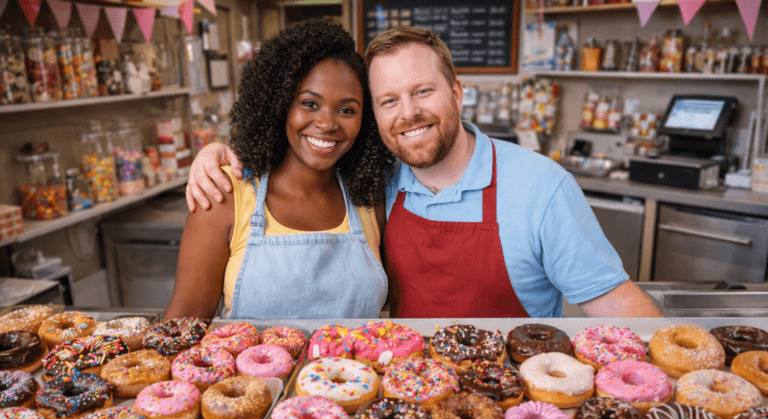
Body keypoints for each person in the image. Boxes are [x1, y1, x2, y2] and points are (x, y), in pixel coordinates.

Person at [185, 26, 662, 319]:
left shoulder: (540, 186)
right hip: (398, 395)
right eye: (388, 100)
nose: (408, 113)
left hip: (514, 403)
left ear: (457, 92)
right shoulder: (379, 181)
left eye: (423, 92)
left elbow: (617, 305)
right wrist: (217, 152)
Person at [163, 19, 395, 321]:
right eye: (309, 103)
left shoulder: (369, 198)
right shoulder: (224, 197)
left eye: (346, 110)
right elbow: (184, 323)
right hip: (252, 371)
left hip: (355, 369)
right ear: (279, 103)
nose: (327, 123)